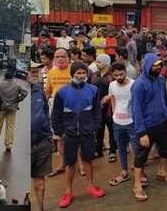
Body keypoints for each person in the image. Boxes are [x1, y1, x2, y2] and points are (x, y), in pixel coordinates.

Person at [51, 62, 105, 208]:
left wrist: (96, 127)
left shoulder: (93, 90)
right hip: (69, 134)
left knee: (88, 160)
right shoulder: (62, 92)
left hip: (87, 133)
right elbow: (55, 115)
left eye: (84, 73)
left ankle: (90, 186)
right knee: (70, 163)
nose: (81, 76)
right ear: (72, 74)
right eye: (78, 73)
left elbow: (97, 111)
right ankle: (68, 192)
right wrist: (60, 132)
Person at [131, 53, 167, 201]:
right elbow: (136, 110)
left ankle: (162, 172)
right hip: (147, 127)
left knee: (165, 149)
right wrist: (141, 132)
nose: (158, 68)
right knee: (141, 156)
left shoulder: (161, 80)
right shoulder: (139, 85)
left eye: (160, 65)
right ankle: (137, 184)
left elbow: (164, 99)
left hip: (162, 122)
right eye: (155, 66)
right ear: (147, 66)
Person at [107, 62, 137, 187]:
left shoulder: (134, 85)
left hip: (132, 122)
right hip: (117, 123)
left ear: (126, 72)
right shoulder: (112, 85)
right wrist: (114, 112)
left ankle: (140, 173)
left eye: (121, 74)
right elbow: (112, 97)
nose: (119, 77)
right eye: (116, 75)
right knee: (121, 149)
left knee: (136, 149)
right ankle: (124, 172)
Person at [45, 48, 72, 177]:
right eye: (57, 56)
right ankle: (62, 164)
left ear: (68, 58)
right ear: (54, 59)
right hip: (56, 109)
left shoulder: (73, 70)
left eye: (63, 56)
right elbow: (48, 91)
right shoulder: (52, 72)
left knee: (75, 137)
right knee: (59, 138)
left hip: (72, 108)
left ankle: (81, 165)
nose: (60, 58)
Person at [30, 61, 52, 211]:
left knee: (40, 182)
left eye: (36, 71)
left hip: (42, 143)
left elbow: (45, 113)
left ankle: (40, 208)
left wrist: (47, 135)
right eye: (31, 70)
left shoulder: (39, 90)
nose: (34, 73)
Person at [0, 69, 29, 151]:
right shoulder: (17, 85)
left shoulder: (0, 84)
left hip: (1, 107)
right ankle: (8, 145)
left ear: (4, 77)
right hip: (13, 108)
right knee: (10, 126)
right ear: (12, 77)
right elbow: (25, 92)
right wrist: (18, 99)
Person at [94, 54, 117, 162]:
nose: (96, 63)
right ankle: (98, 150)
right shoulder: (94, 75)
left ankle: (113, 151)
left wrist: (108, 99)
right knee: (99, 129)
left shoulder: (111, 76)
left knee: (112, 130)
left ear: (105, 63)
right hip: (97, 108)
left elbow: (116, 91)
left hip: (109, 108)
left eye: (99, 62)